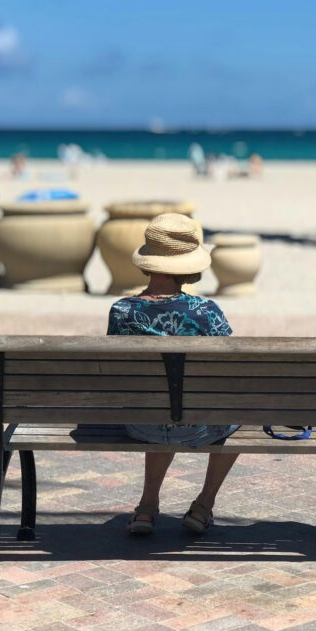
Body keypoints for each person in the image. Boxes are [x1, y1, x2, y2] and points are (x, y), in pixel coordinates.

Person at [107, 213, 240, 536]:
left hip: (140, 424)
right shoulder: (206, 313)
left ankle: (147, 507)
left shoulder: (121, 311)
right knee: (240, 410)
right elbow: (229, 366)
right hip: (197, 428)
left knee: (160, 400)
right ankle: (204, 504)